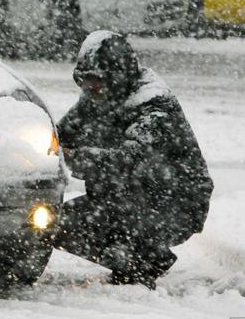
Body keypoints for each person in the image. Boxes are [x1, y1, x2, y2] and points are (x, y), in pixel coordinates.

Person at [54, 30, 213, 289]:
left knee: (125, 197)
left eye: (94, 79)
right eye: (83, 79)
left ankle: (142, 258)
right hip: (123, 197)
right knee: (52, 223)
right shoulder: (97, 97)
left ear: (117, 76)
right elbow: (61, 134)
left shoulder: (154, 106)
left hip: (176, 202)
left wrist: (73, 157)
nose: (87, 86)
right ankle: (129, 253)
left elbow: (128, 160)